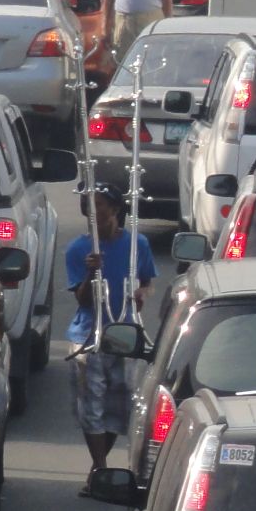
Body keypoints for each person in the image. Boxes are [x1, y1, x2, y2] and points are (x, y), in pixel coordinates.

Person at [65, 183, 156, 484]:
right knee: (91, 405)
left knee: (119, 405)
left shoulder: (137, 244)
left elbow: (147, 281)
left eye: (98, 204)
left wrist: (141, 293)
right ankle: (101, 468)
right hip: (88, 336)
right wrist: (91, 272)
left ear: (115, 208)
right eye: (86, 204)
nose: (90, 210)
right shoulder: (78, 249)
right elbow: (82, 300)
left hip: (124, 335)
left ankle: (97, 470)